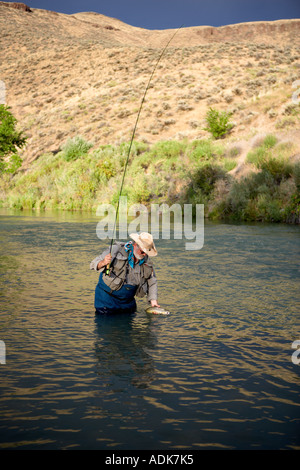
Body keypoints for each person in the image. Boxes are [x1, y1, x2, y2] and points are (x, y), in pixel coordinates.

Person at [90, 232, 160, 315]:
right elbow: (93, 264)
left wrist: (153, 301)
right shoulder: (116, 249)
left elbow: (152, 281)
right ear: (135, 245)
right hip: (106, 299)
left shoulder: (146, 261)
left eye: (146, 252)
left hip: (128, 302)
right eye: (142, 251)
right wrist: (103, 262)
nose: (144, 254)